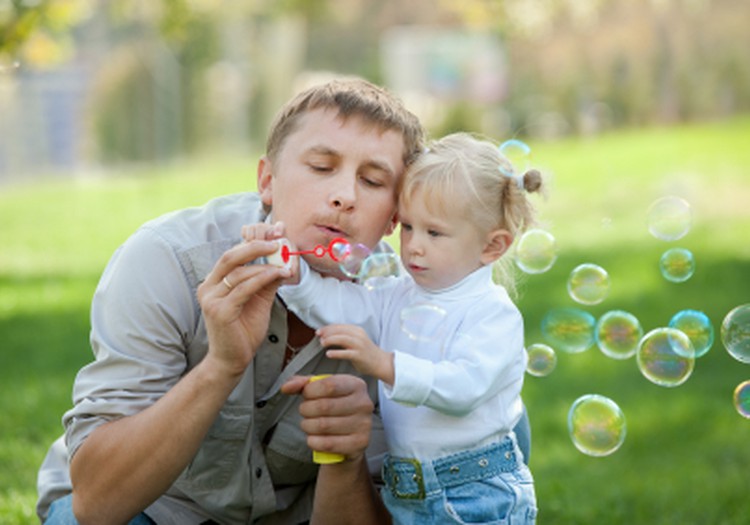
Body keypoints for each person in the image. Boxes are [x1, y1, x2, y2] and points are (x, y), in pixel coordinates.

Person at [35, 78, 530, 524]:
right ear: (267, 181)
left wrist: (346, 456)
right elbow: (97, 506)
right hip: (157, 509)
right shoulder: (167, 262)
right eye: (321, 166)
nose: (344, 196)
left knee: (506, 423)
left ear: (395, 217)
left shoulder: (408, 311)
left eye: (373, 181)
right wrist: (221, 366)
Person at [273, 132, 541, 524]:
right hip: (410, 490)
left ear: (492, 246)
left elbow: (464, 387)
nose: (414, 246)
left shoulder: (491, 314)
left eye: (434, 233)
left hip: (477, 491)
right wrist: (292, 274)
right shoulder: (398, 294)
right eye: (409, 227)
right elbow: (341, 306)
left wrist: (383, 363)